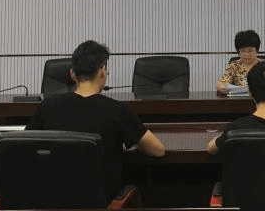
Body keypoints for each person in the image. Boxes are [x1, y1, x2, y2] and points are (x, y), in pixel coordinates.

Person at [26, 41, 165, 197]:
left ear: (72, 74)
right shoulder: (118, 110)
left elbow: (24, 149)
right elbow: (157, 150)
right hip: (101, 206)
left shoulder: (47, 107)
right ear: (102, 72)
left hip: (52, 202)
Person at [216, 30, 265, 94]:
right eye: (243, 51)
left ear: (257, 51)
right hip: (240, 99)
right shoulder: (234, 65)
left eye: (250, 51)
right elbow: (221, 83)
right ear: (238, 52)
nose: (247, 54)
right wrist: (221, 87)